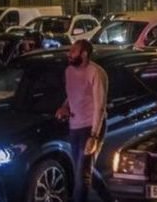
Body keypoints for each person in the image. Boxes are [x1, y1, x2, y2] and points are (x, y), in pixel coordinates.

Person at [55, 39, 108, 202]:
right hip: (75, 126)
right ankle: (109, 198)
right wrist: (64, 106)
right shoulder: (69, 71)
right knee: (83, 168)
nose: (69, 54)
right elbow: (73, 94)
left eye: (73, 51)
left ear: (84, 54)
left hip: (91, 126)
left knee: (81, 176)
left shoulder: (96, 73)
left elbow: (100, 106)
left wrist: (94, 136)